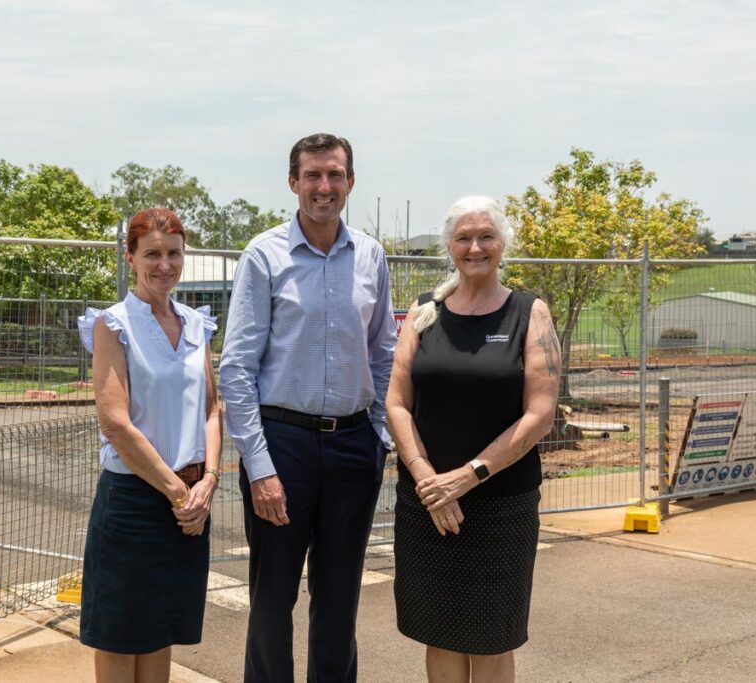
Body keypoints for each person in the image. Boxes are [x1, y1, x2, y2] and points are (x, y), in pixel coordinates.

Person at [220, 133, 397, 682]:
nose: (325, 186)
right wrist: (260, 467)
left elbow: (384, 354)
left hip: (353, 446)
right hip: (283, 447)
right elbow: (237, 368)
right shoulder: (264, 255)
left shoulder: (369, 255)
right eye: (313, 175)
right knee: (272, 601)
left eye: (335, 174)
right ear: (293, 182)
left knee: (340, 602)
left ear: (350, 182)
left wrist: (379, 438)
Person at [386, 195, 561, 683]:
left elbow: (540, 414)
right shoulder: (424, 311)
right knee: (439, 632)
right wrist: (427, 479)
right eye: (464, 238)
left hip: (500, 505)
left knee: (491, 639)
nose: (475, 247)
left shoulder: (530, 313)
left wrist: (467, 477)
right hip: (427, 503)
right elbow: (396, 402)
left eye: (486, 236)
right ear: (449, 246)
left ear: (503, 244)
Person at [77, 207, 222, 683]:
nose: (165, 265)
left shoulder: (197, 325)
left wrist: (209, 482)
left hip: (188, 507)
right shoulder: (113, 325)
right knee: (120, 639)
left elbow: (211, 409)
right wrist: (178, 493)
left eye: (174, 253)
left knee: (161, 634)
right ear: (130, 258)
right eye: (152, 254)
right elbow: (116, 424)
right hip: (136, 505)